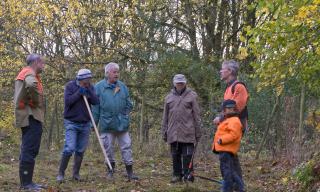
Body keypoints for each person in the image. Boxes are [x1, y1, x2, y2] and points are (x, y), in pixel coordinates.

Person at [92, 62, 138, 181]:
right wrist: (94, 123)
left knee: (126, 147)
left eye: (118, 72)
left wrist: (125, 114)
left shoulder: (122, 86)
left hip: (122, 123)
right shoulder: (98, 87)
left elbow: (129, 103)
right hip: (106, 124)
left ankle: (130, 173)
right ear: (107, 73)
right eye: (114, 72)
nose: (117, 74)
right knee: (108, 148)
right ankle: (110, 171)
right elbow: (96, 108)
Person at [56, 69, 99, 183]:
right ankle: (61, 173)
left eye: (89, 80)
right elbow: (68, 102)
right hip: (71, 122)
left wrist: (89, 93)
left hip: (85, 123)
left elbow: (96, 101)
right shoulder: (70, 86)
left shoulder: (90, 87)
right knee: (70, 148)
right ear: (79, 79)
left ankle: (75, 174)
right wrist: (79, 93)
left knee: (80, 149)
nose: (87, 83)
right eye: (85, 81)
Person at [14, 54, 46, 190]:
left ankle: (27, 181)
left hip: (27, 116)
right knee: (29, 149)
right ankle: (27, 183)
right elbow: (32, 86)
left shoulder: (25, 73)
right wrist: (35, 101)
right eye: (42, 63)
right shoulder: (29, 74)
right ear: (36, 62)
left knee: (28, 149)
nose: (43, 66)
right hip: (31, 116)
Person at [161, 74, 201, 183]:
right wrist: (164, 131)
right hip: (173, 132)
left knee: (188, 155)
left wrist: (198, 132)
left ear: (185, 83)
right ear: (174, 83)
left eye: (181, 82)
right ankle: (177, 175)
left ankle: (189, 175)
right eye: (178, 82)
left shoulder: (192, 96)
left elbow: (196, 115)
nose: (180, 84)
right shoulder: (168, 98)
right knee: (175, 155)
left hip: (188, 131)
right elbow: (165, 116)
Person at [212, 99, 244, 192]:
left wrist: (222, 140)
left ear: (235, 109)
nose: (230, 110)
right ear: (224, 110)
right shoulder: (228, 119)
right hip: (224, 149)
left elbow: (233, 135)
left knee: (227, 172)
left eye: (232, 108)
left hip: (227, 149)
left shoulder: (234, 120)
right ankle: (238, 187)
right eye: (228, 108)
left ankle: (229, 189)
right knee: (229, 171)